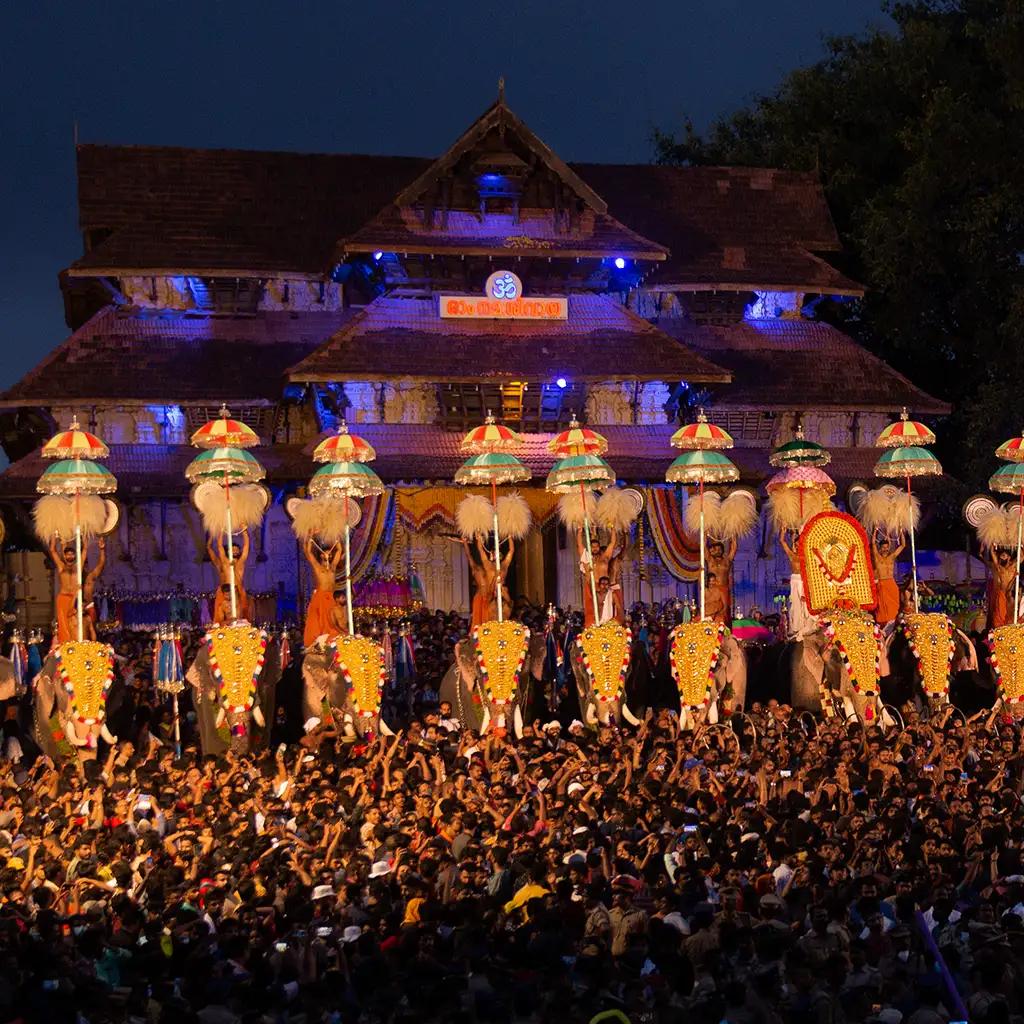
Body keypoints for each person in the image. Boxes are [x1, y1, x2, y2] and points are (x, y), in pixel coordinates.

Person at [454, 534, 513, 626]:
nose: (493, 554)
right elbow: (479, 551)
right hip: (488, 594)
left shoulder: (504, 565)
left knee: (504, 610)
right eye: (492, 552)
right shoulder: (487, 564)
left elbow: (511, 552)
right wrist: (478, 539)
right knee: (485, 619)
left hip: (499, 591)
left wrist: (510, 537)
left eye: (496, 552)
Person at [303, 538, 341, 646]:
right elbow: (309, 553)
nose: (328, 554)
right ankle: (320, 642)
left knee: (332, 621)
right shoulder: (318, 567)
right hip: (320, 597)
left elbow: (339, 550)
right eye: (326, 552)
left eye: (330, 553)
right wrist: (310, 538)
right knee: (320, 622)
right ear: (321, 555)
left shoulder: (333, 567)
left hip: (331, 597)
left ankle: (331, 641)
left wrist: (336, 537)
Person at [208, 528, 250, 624]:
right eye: (233, 550)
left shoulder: (240, 563)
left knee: (241, 616)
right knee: (221, 615)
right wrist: (221, 531)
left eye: (237, 550)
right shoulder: (224, 562)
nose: (235, 551)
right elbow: (219, 547)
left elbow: (246, 547)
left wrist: (244, 532)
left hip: (238, 591)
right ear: (228, 551)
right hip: (225, 591)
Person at [779, 529, 815, 638]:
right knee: (795, 604)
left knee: (805, 604)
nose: (798, 545)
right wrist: (783, 531)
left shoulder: (809, 556)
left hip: (805, 581)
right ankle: (797, 628)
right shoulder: (792, 555)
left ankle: (807, 626)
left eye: (800, 543)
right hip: (794, 581)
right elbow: (782, 542)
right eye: (796, 543)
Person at [47, 537, 79, 643]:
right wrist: (53, 536)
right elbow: (52, 550)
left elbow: (84, 552)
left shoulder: (77, 567)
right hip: (63, 598)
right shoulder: (61, 566)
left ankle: (74, 641)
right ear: (64, 556)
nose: (70, 556)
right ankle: (65, 643)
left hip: (74, 598)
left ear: (74, 555)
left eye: (71, 554)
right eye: (67, 554)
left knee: (74, 621)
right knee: (63, 622)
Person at [872, 531, 905, 625]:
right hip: (882, 584)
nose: (885, 549)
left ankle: (894, 622)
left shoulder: (892, 557)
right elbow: (873, 543)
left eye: (887, 547)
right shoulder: (877, 558)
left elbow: (903, 545)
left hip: (891, 583)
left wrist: (901, 531)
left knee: (895, 606)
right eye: (883, 547)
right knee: (882, 607)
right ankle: (882, 624)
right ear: (880, 548)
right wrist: (875, 531)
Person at [705, 537, 736, 625]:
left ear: (723, 550)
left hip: (724, 589)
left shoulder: (727, 560)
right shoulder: (710, 560)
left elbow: (734, 547)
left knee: (724, 611)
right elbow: (704, 547)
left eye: (720, 549)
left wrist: (734, 533)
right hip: (712, 589)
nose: (718, 551)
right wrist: (704, 533)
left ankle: (724, 631)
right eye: (716, 549)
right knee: (711, 610)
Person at [81, 537, 106, 640]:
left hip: (89, 606)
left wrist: (102, 549)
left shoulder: (91, 576)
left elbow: (101, 563)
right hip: (77, 608)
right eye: (83, 564)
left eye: (86, 564)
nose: (85, 567)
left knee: (92, 630)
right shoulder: (74, 577)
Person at [986, 546, 1016, 630]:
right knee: (999, 616)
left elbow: (1021, 557)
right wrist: (992, 544)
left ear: (1009, 557)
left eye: (1004, 555)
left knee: (1011, 615)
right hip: (1002, 593)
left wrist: (1021, 545)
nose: (1002, 557)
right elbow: (993, 555)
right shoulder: (999, 568)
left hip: (1010, 593)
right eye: (1001, 556)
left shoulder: (1013, 567)